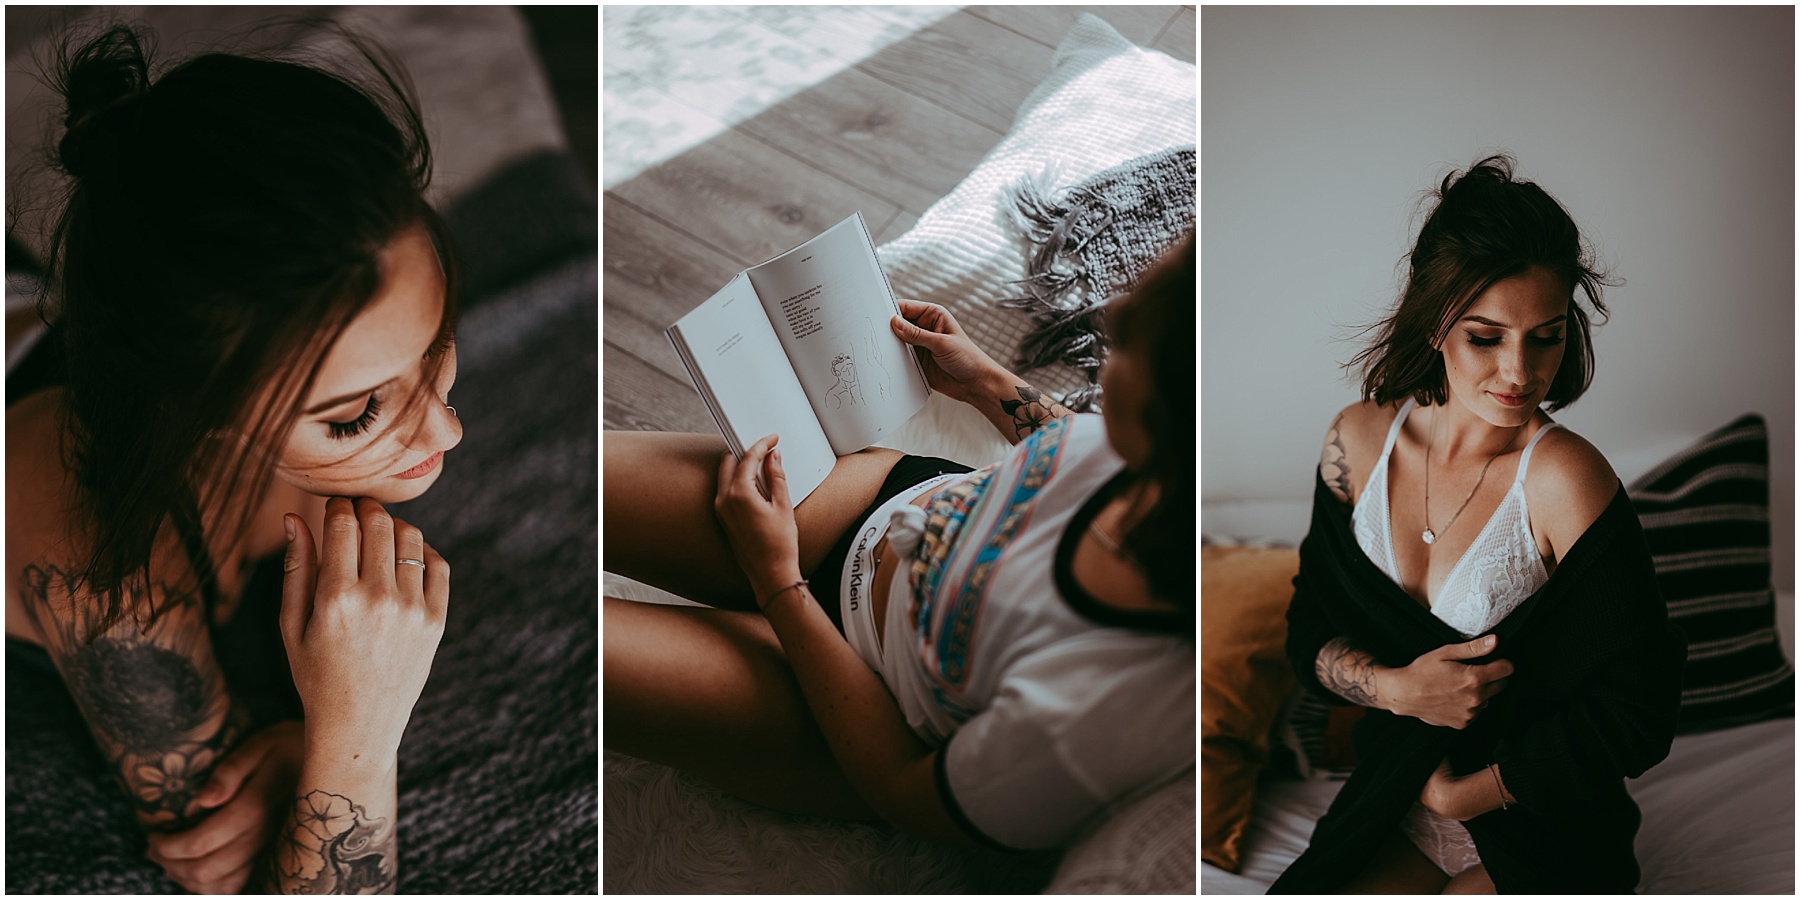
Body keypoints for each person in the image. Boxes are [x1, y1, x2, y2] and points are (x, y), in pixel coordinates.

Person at [6, 24, 460, 893]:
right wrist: (355, 735)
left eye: (437, 345)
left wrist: (303, 750)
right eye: (359, 412)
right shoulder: (109, 586)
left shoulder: (266, 350)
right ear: (202, 420)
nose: (446, 433)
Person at [604, 236, 1194, 850]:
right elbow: (1080, 445)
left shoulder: (1107, 709)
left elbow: (909, 793)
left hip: (845, 705)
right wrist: (984, 382)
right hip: (872, 505)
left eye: (1143, 336)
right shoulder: (1170, 470)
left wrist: (777, 580)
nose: (1117, 308)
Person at [1274, 155, 1684, 893]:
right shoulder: (1356, 443)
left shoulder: (1565, 479)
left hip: (1539, 820)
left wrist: (1469, 794)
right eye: (1486, 337)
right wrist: (1397, 690)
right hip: (1391, 798)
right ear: (1435, 323)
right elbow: (1310, 628)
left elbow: (1641, 705)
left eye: (1547, 336)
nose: (1521, 373)